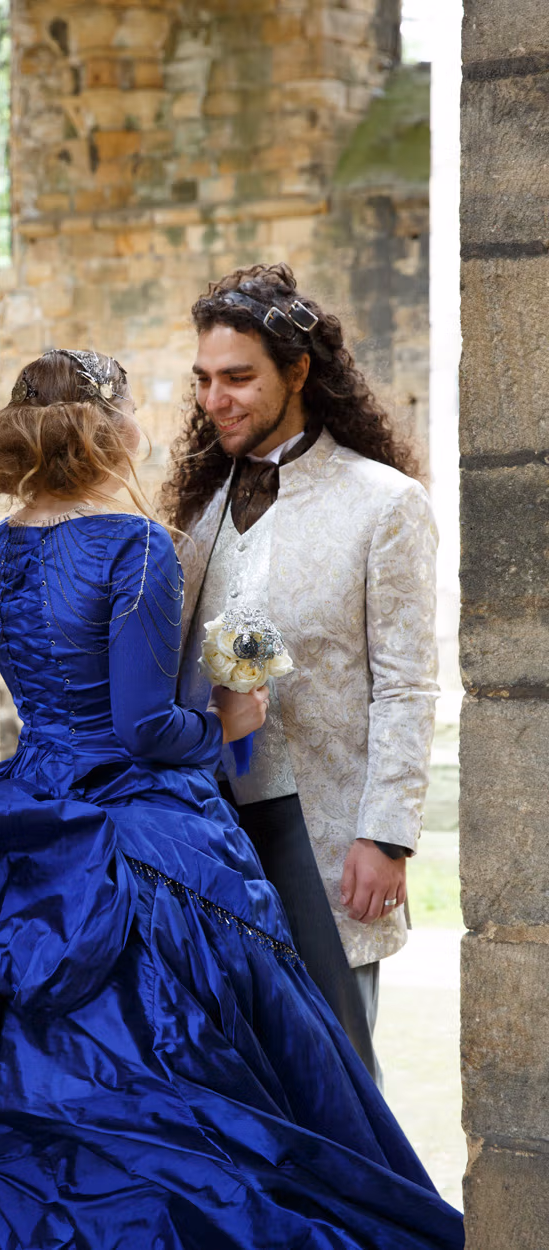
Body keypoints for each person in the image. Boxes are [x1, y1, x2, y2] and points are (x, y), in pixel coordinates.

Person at [0, 348, 462, 1249]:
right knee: (191, 1052)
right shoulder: (135, 544)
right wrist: (229, 720)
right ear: (110, 430)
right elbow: (145, 729)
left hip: (27, 797)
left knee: (24, 1049)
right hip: (132, 819)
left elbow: (58, 697)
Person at [165, 263, 439, 1085]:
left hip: (322, 834)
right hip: (210, 836)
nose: (216, 400)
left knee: (341, 1079)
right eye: (205, 380)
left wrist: (385, 836)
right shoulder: (201, 513)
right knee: (239, 1083)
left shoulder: (385, 503)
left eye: (238, 378)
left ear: (298, 372)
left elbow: (407, 683)